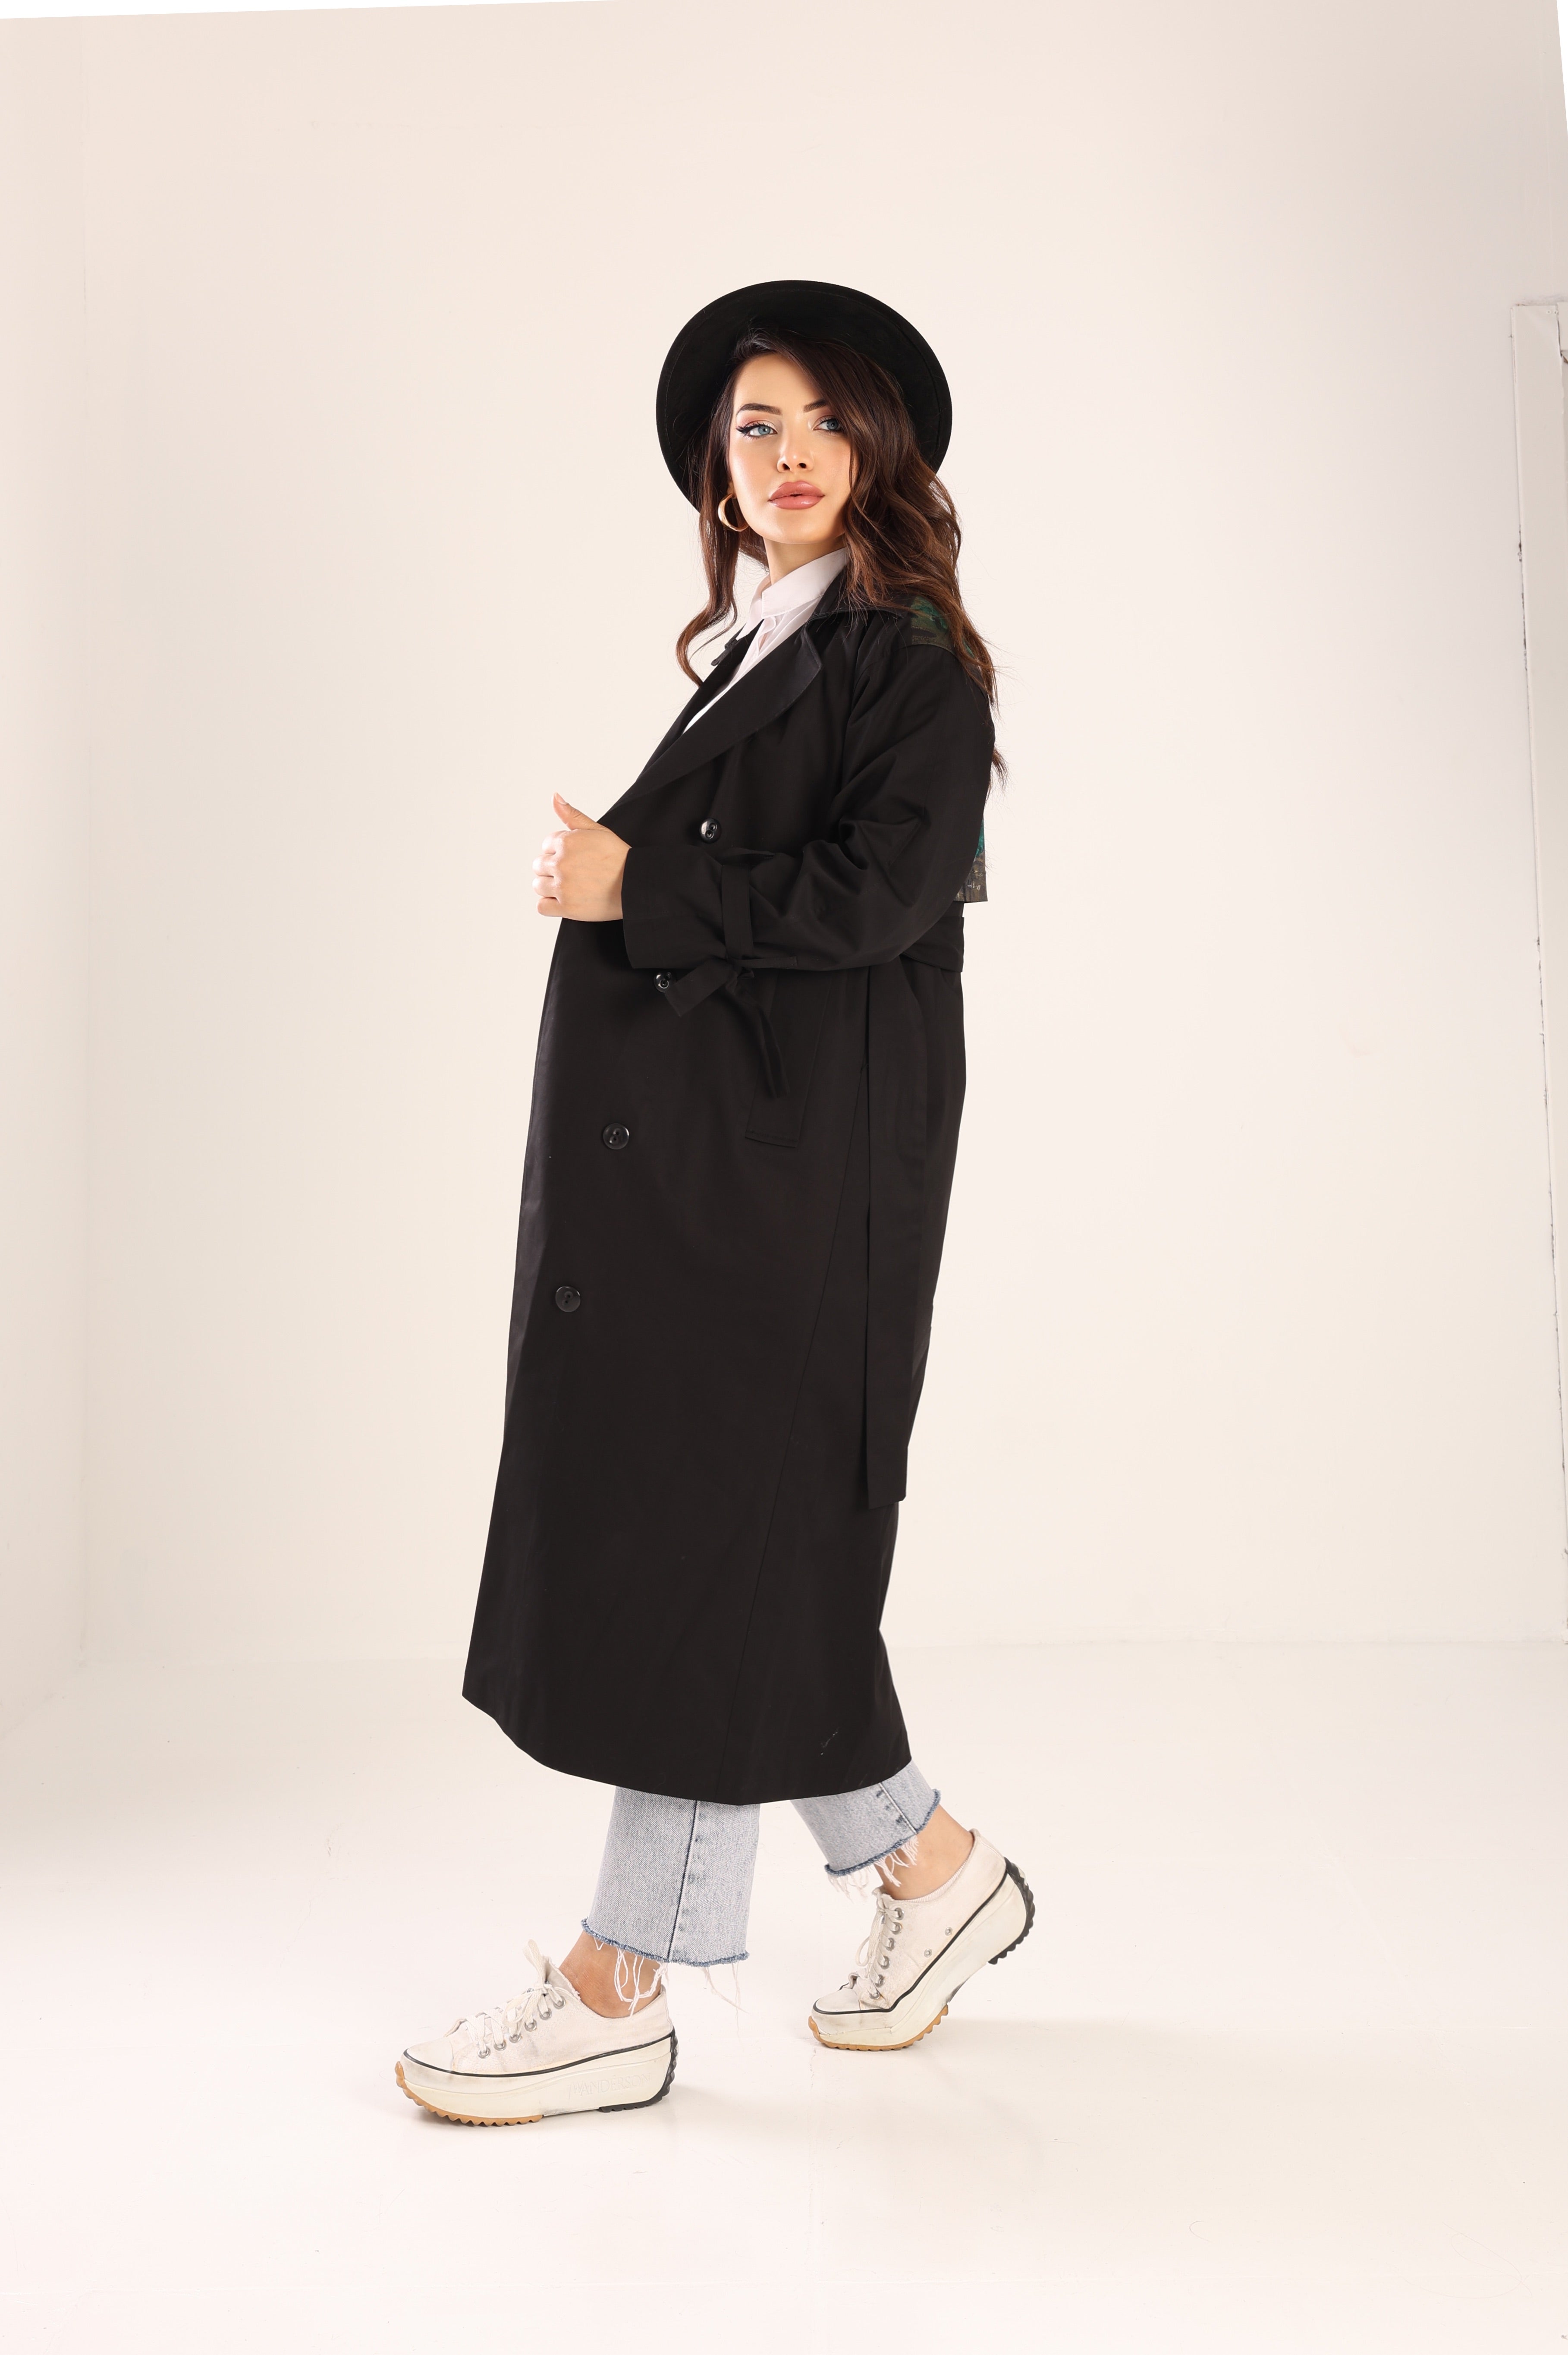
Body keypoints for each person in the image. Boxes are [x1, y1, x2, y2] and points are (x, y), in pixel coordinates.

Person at [396, 280, 1031, 2127]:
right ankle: (932, 1870)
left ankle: (621, 1983)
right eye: (758, 427)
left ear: (882, 448)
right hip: (733, 1173)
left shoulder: (913, 662)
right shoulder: (772, 642)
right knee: (743, 1549)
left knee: (709, 1546)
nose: (791, 454)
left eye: (825, 421)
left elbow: (878, 900)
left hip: (803, 1188)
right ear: (718, 468)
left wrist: (633, 891)